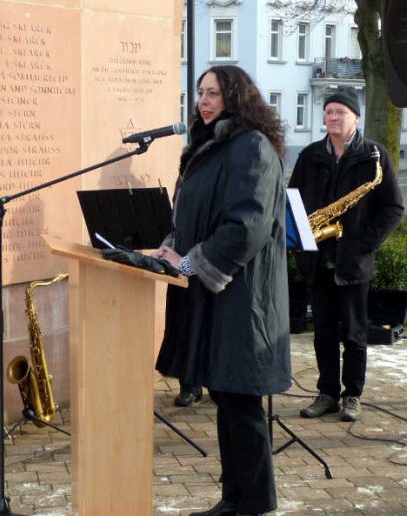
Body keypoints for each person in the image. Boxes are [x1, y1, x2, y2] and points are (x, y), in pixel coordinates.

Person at [153, 65, 290, 516]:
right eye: (199, 93)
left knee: (241, 400)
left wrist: (192, 263)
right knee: (226, 395)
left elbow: (246, 226)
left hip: (243, 296)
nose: (203, 101)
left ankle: (251, 503)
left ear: (236, 96)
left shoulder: (251, 147)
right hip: (217, 295)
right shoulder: (212, 145)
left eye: (213, 92)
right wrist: (172, 247)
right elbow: (194, 214)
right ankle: (237, 498)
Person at [288, 87, 404, 423]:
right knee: (323, 331)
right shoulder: (310, 155)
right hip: (316, 258)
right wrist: (299, 240)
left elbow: (393, 208)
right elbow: (293, 200)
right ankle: (326, 393)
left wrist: (362, 245)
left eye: (340, 112)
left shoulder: (374, 156)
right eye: (328, 112)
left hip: (353, 261)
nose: (333, 118)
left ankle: (352, 395)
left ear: (356, 117)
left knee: (354, 334)